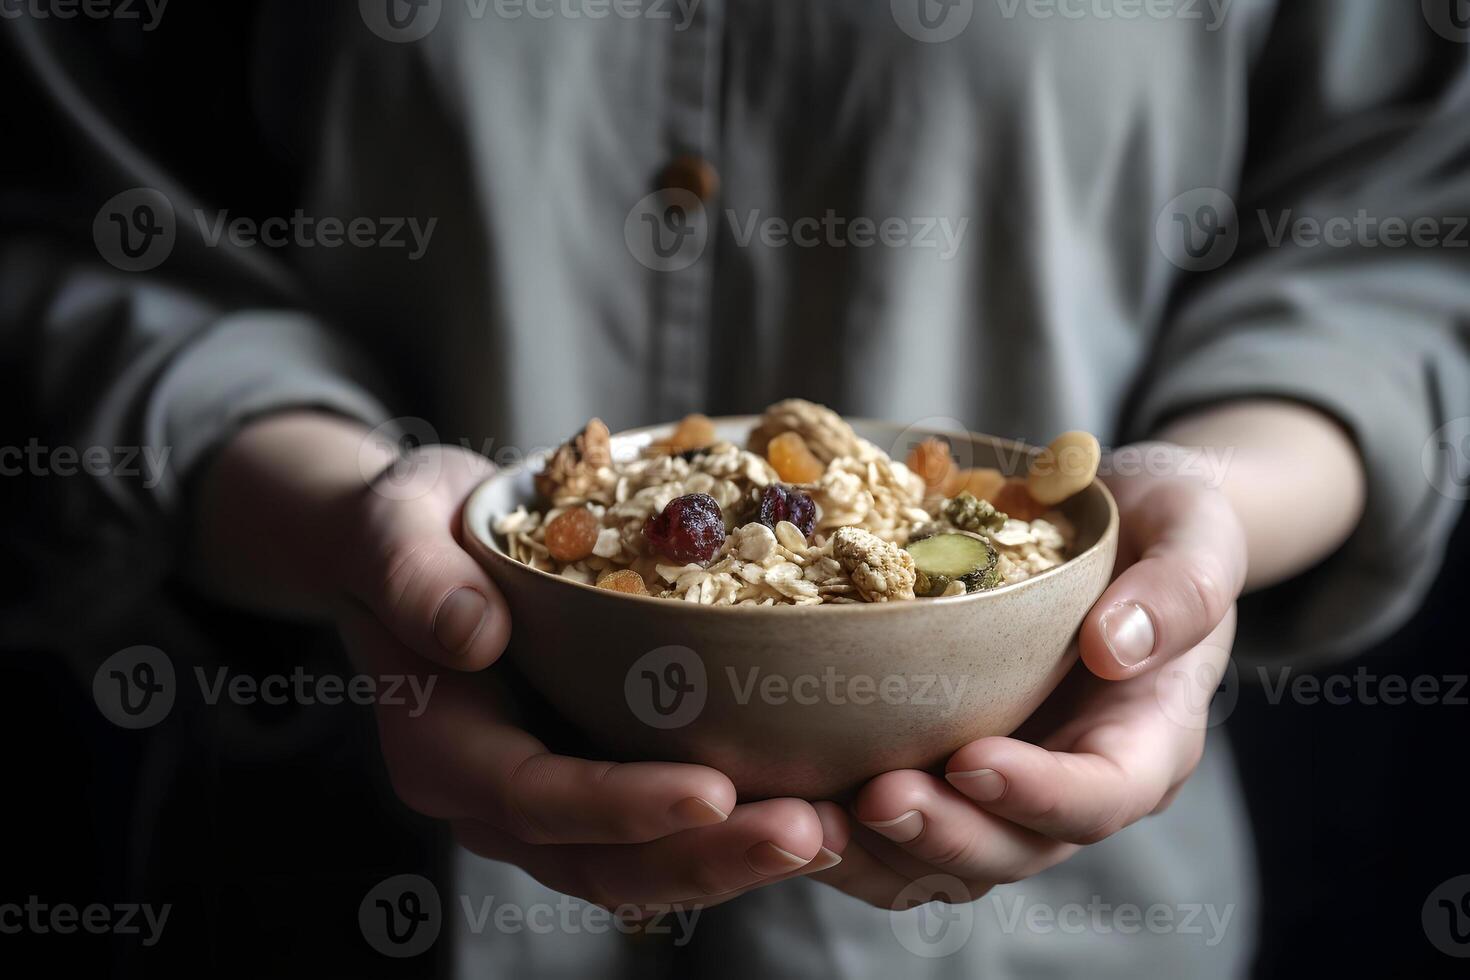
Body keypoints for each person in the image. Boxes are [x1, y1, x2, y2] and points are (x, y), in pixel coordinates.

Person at [5, 3, 1468, 976]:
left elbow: (1395, 233)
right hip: (349, 892)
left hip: (1051, 930)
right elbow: (80, 237)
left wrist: (1201, 514)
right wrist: (347, 516)